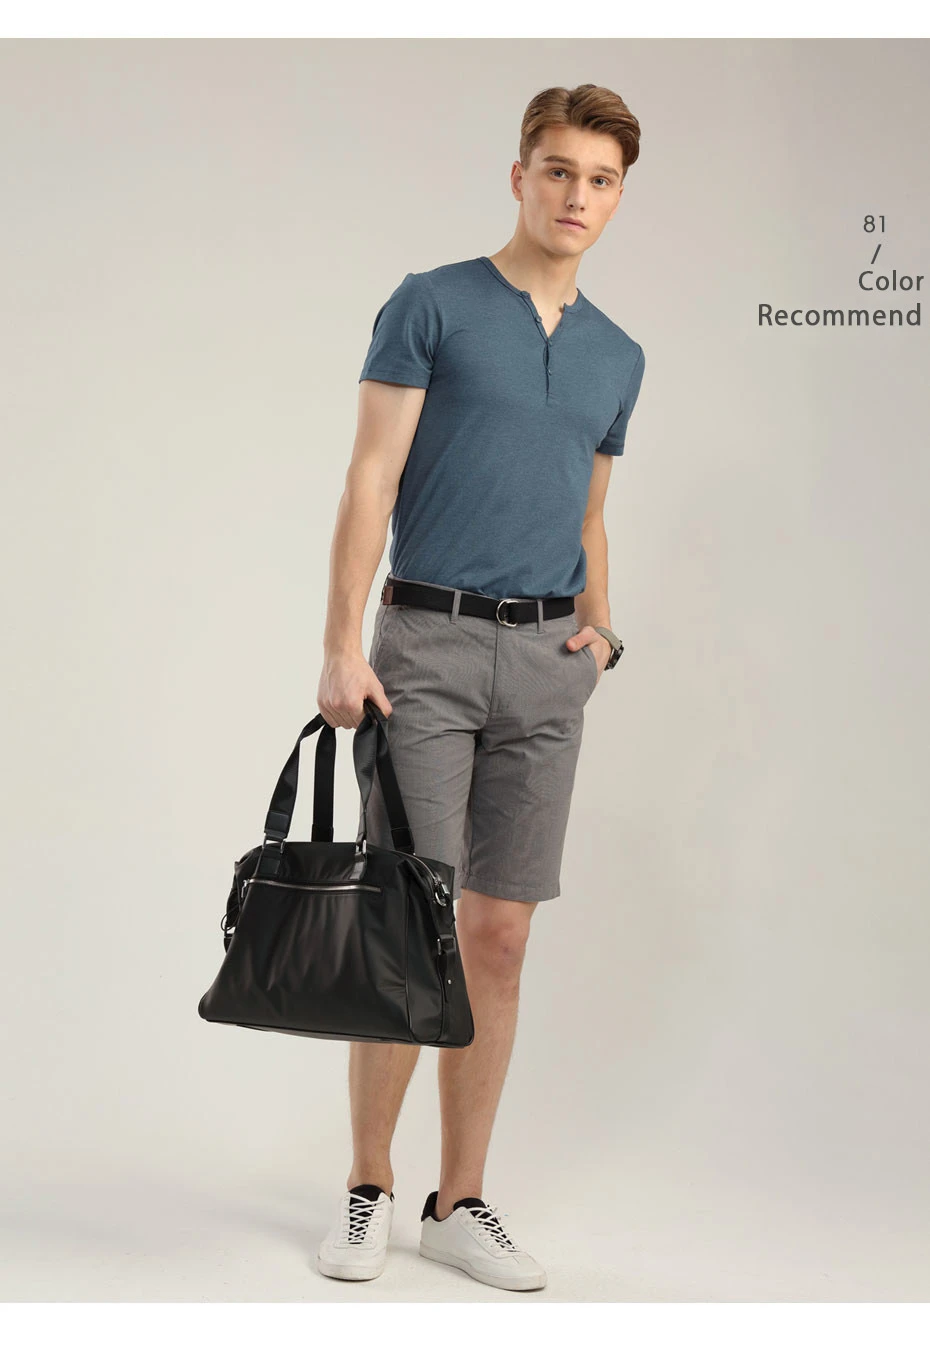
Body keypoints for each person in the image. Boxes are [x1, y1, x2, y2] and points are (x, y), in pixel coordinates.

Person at [315, 82, 646, 1292]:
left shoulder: (619, 355)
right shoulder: (433, 304)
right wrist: (341, 643)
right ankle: (368, 1185)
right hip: (429, 650)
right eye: (559, 170)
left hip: (550, 663)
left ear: (619, 197)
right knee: (411, 925)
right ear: (520, 176)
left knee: (499, 936)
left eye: (600, 180)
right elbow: (370, 477)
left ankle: (460, 1201)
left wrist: (602, 632)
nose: (577, 196)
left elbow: (591, 513)